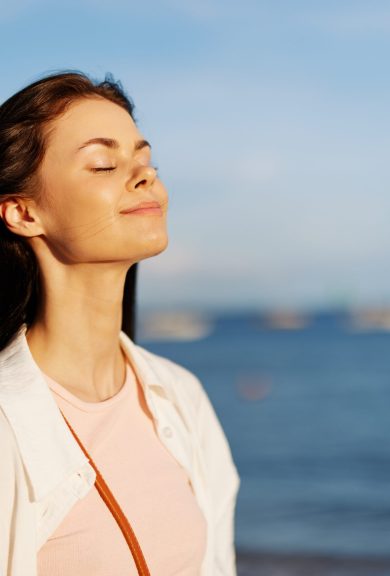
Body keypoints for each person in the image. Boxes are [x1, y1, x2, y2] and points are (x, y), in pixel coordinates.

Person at [0, 72, 240, 576]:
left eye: (146, 160)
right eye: (103, 164)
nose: (143, 176)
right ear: (22, 212)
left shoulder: (181, 398)